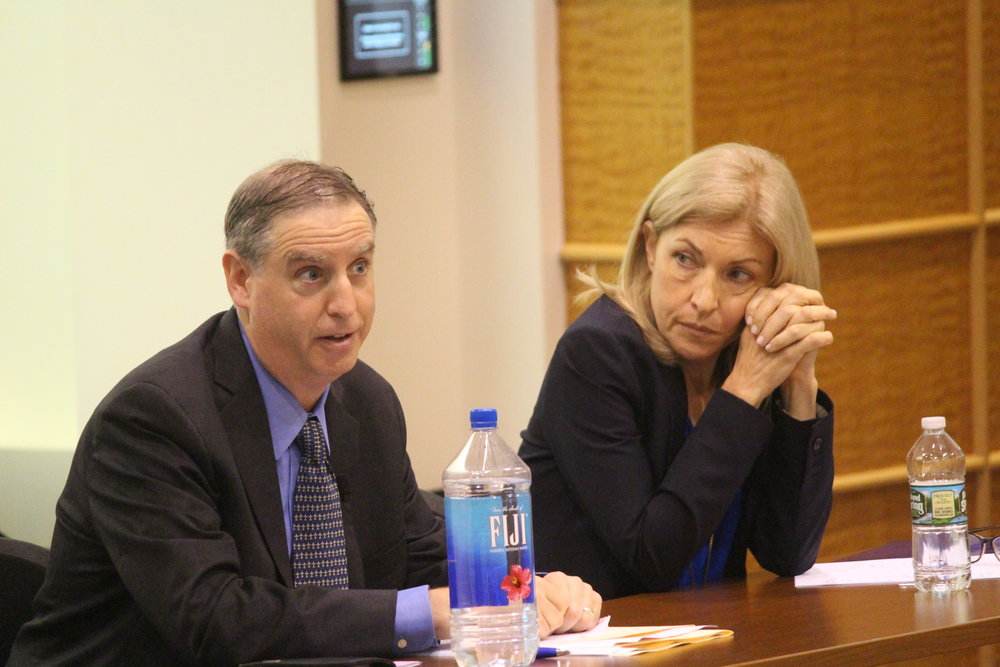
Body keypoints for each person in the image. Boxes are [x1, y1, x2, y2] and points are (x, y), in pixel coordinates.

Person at [9, 160, 601, 665]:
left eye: (360, 269)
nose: (346, 304)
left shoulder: (366, 400)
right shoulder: (154, 418)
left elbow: (417, 559)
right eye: (311, 274)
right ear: (240, 279)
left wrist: (524, 590)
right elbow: (212, 616)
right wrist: (438, 611)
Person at [519, 143, 836, 600]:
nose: (703, 300)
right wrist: (743, 391)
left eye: (738, 275)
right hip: (594, 642)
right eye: (685, 259)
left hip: (709, 638)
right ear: (651, 247)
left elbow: (787, 553)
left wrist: (799, 384)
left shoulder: (745, 354)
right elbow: (653, 557)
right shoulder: (596, 355)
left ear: (774, 284)